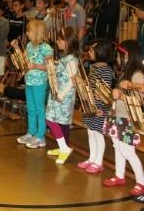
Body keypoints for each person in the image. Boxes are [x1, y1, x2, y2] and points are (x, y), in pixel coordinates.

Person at [103, 40, 144, 196]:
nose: (120, 59)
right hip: (117, 116)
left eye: (122, 55)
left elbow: (139, 98)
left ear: (130, 56)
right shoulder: (125, 74)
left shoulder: (137, 74)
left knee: (128, 151)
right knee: (117, 147)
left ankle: (141, 181)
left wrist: (122, 94)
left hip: (127, 119)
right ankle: (119, 175)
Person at [15, 19, 53, 148]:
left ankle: (40, 136)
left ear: (36, 32)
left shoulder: (47, 48)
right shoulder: (29, 45)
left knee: (39, 109)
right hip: (29, 82)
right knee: (30, 108)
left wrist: (36, 65)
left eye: (29, 31)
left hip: (40, 83)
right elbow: (25, 61)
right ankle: (31, 132)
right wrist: (16, 48)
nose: (27, 33)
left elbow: (50, 67)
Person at [78, 39, 114, 173]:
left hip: (100, 108)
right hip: (91, 106)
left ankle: (99, 162)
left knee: (98, 134)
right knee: (90, 132)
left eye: (92, 50)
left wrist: (102, 108)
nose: (89, 52)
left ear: (101, 52)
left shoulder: (106, 70)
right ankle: (91, 158)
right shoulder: (93, 67)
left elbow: (105, 93)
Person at [45, 27, 79, 164]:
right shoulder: (66, 57)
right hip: (57, 94)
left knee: (50, 119)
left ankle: (64, 148)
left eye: (60, 39)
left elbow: (73, 79)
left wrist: (61, 94)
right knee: (61, 122)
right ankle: (62, 147)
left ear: (68, 42)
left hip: (63, 96)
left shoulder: (72, 60)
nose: (57, 41)